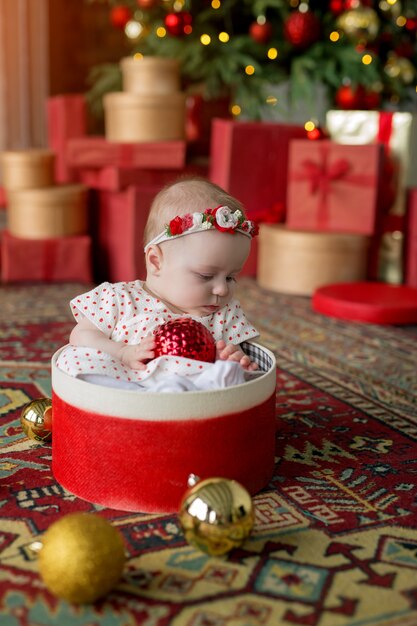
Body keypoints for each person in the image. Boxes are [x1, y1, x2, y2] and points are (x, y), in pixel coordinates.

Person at [56, 177, 260, 391]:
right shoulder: (119, 298)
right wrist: (122, 352)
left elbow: (236, 354)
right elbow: (81, 335)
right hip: (125, 384)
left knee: (231, 375)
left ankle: (174, 402)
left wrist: (230, 359)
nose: (222, 289)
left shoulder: (224, 315)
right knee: (74, 358)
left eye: (231, 277)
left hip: (191, 394)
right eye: (205, 276)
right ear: (156, 261)